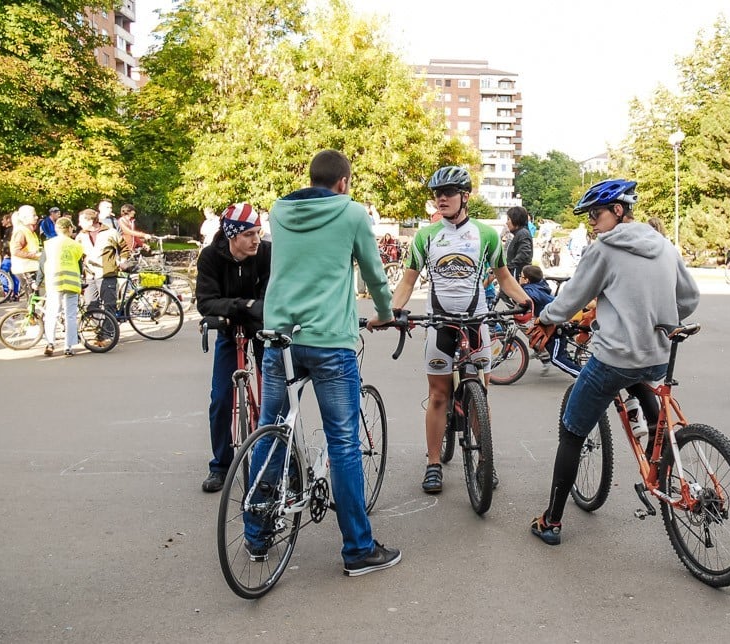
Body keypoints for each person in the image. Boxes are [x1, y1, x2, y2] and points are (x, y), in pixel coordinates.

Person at [247, 149, 400, 576]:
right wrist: (385, 314)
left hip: (280, 339)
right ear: (344, 182)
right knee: (344, 444)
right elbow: (373, 273)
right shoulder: (352, 214)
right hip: (331, 341)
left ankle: (256, 536)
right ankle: (358, 549)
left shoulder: (279, 211)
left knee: (270, 431)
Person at [525, 178, 699, 545]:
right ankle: (663, 454)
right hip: (657, 354)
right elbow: (689, 298)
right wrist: (658, 318)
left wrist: (546, 320)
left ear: (618, 210)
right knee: (639, 377)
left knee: (572, 431)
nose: (592, 221)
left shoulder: (604, 248)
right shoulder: (665, 245)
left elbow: (573, 295)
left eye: (597, 213)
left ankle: (552, 522)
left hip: (614, 356)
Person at [388, 165, 533, 495]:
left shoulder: (487, 235)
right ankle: (434, 463)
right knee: (438, 396)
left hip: (476, 323)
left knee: (480, 392)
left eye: (449, 193)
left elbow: (504, 277)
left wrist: (524, 301)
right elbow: (408, 280)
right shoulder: (425, 236)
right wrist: (394, 310)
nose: (441, 198)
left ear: (465, 197)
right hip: (439, 323)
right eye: (438, 194)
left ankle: (485, 460)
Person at [195, 203, 271, 493]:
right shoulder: (211, 257)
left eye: (258, 233)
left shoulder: (266, 254)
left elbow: (271, 297)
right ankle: (221, 465)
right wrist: (244, 305)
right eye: (249, 234)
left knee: (274, 394)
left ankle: (280, 462)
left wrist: (244, 308)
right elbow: (205, 302)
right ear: (232, 236)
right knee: (221, 398)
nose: (256, 240)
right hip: (228, 329)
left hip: (262, 327)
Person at [520, 265, 582, 377]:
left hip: (556, 325)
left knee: (557, 358)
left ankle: (583, 376)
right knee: (553, 349)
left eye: (521, 276)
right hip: (553, 322)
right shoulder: (541, 285)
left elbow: (531, 297)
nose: (519, 278)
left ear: (526, 280)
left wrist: (524, 303)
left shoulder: (529, 290)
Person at [41, 217, 83, 357]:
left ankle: (50, 343)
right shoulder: (76, 245)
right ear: (70, 229)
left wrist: (38, 279)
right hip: (71, 282)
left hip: (54, 281)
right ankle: (68, 346)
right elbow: (79, 263)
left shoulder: (48, 244)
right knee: (70, 315)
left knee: (52, 313)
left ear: (56, 229)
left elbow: (42, 264)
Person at [76, 208, 129, 315]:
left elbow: (124, 247)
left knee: (109, 306)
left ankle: (109, 331)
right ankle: (98, 329)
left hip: (107, 274)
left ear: (90, 221)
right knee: (91, 306)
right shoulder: (80, 236)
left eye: (81, 221)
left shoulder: (111, 233)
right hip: (89, 276)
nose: (79, 224)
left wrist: (122, 261)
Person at [9, 205, 41, 295]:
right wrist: (34, 255)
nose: (37, 217)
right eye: (33, 215)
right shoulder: (21, 232)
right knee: (32, 297)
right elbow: (15, 251)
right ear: (24, 218)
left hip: (31, 268)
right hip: (24, 269)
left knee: (35, 297)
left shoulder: (30, 231)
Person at [504, 206, 534, 282]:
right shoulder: (520, 233)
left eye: (508, 219)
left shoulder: (523, 233)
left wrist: (508, 267)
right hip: (516, 274)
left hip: (518, 275)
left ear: (515, 219)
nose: (506, 222)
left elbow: (523, 254)